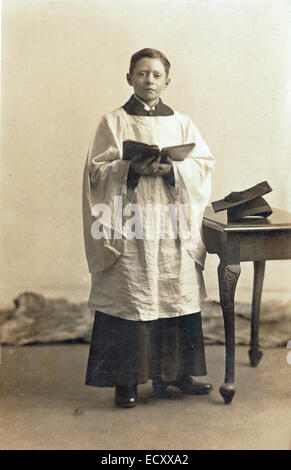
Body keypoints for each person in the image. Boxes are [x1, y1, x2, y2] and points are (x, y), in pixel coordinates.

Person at [82, 48, 215, 408]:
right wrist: (130, 168)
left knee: (174, 291)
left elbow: (203, 166)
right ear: (129, 78)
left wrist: (172, 169)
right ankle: (125, 381)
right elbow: (95, 171)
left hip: (170, 223)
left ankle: (175, 375)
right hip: (131, 223)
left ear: (167, 81)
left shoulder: (183, 123)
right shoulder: (114, 122)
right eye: (142, 74)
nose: (149, 81)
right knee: (132, 296)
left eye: (156, 75)